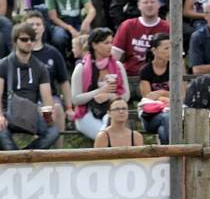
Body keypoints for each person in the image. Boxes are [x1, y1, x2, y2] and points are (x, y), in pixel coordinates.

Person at [0, 23, 59, 150]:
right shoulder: (3, 65)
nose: (29, 42)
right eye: (24, 39)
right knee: (0, 130)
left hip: (30, 113)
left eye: (32, 39)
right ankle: (16, 159)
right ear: (15, 41)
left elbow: (47, 98)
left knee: (53, 131)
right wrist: (0, 116)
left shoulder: (40, 67)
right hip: (7, 113)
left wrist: (49, 114)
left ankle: (26, 156)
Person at [71, 27, 130, 140]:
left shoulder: (117, 66)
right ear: (94, 45)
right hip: (86, 113)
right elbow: (76, 99)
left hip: (111, 112)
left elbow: (126, 96)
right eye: (106, 43)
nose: (110, 46)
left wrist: (109, 96)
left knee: (112, 130)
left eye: (111, 42)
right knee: (107, 136)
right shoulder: (81, 68)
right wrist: (99, 91)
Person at [26, 9, 71, 148]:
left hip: (51, 98)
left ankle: (59, 153)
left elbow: (64, 82)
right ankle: (41, 152)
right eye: (31, 24)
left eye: (38, 24)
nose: (35, 27)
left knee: (56, 108)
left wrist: (69, 107)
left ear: (44, 27)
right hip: (27, 99)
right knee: (40, 110)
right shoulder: (20, 54)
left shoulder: (53, 53)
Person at [112, 0, 170, 77]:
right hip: (131, 77)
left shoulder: (168, 28)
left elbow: (177, 59)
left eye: (152, 2)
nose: (149, 5)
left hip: (159, 79)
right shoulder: (127, 26)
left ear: (159, 4)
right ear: (139, 5)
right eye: (145, 2)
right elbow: (114, 57)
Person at [137, 32, 171, 144]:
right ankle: (176, 152)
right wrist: (168, 97)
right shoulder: (146, 71)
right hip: (151, 116)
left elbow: (181, 95)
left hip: (172, 112)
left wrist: (160, 93)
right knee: (166, 118)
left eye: (171, 47)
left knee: (162, 131)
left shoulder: (176, 67)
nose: (169, 51)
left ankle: (169, 154)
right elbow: (148, 99)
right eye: (166, 48)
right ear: (154, 50)